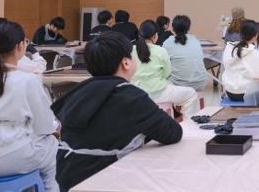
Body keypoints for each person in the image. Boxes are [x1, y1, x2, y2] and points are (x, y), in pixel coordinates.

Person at [52, 31, 183, 191]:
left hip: (67, 179)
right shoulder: (131, 97)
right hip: (106, 180)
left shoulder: (78, 92)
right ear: (126, 63)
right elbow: (173, 133)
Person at [0, 21, 58, 191]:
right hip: (10, 156)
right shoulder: (27, 80)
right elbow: (44, 126)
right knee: (52, 145)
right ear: (20, 46)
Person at [132, 20, 199, 116]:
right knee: (191, 94)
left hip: (136, 93)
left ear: (139, 35)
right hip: (157, 93)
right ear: (155, 36)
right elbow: (167, 73)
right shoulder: (160, 50)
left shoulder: (131, 50)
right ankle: (188, 124)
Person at [222, 20, 259, 101]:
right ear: (255, 35)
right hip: (247, 93)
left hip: (230, 92)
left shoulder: (229, 48)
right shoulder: (253, 52)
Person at [162, 15, 208, 91]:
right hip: (200, 83)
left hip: (178, 85)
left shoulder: (168, 43)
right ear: (188, 28)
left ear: (173, 28)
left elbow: (163, 65)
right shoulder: (195, 40)